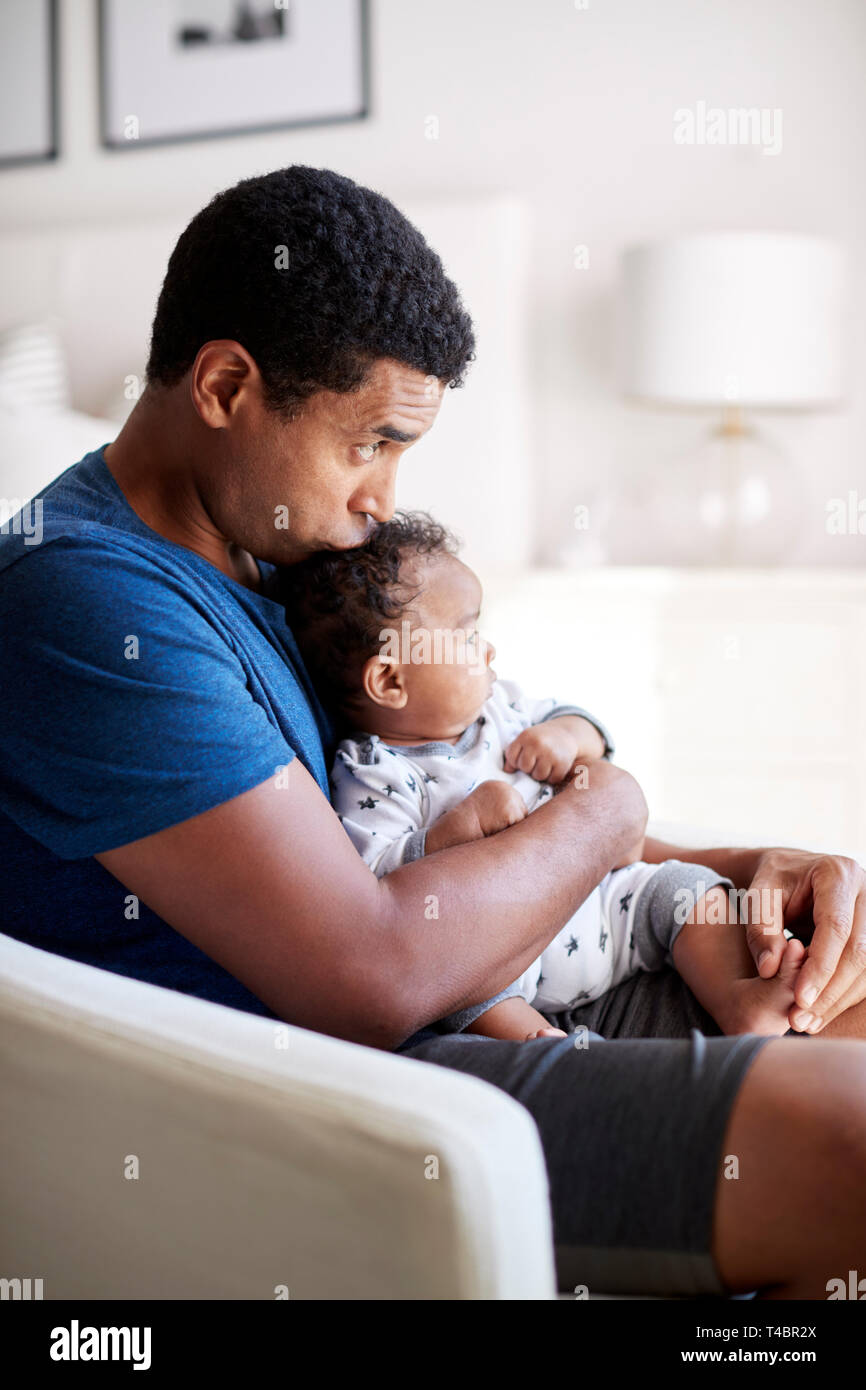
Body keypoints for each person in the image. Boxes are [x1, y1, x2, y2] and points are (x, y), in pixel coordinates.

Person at [1, 166, 865, 1299]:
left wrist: (738, 869)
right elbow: (369, 970)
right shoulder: (85, 603)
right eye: (370, 442)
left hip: (486, 988)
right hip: (326, 1095)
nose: (381, 498)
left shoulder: (283, 556)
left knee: (836, 975)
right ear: (223, 384)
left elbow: (450, 787)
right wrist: (617, 808)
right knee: (846, 1145)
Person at [278, 509, 810, 1044]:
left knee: (683, 892)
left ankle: (737, 999)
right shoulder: (374, 774)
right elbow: (376, 880)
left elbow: (590, 732)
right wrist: (455, 829)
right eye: (467, 636)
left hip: (606, 907)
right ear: (391, 680)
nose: (488, 649)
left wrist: (566, 738)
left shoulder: (502, 709)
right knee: (462, 991)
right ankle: (540, 1043)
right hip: (498, 958)